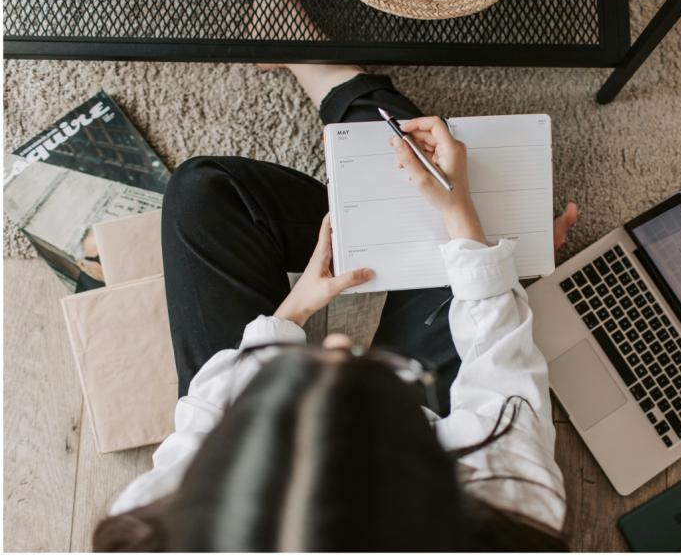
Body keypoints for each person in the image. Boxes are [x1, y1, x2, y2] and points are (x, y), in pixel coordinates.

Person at [93, 62, 580, 551]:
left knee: (203, 191)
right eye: (375, 376)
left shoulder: (155, 526)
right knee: (473, 239)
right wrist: (466, 222)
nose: (339, 341)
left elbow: (205, 417)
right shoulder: (511, 508)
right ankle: (335, 80)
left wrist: (293, 311)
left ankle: (343, 100)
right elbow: (502, 371)